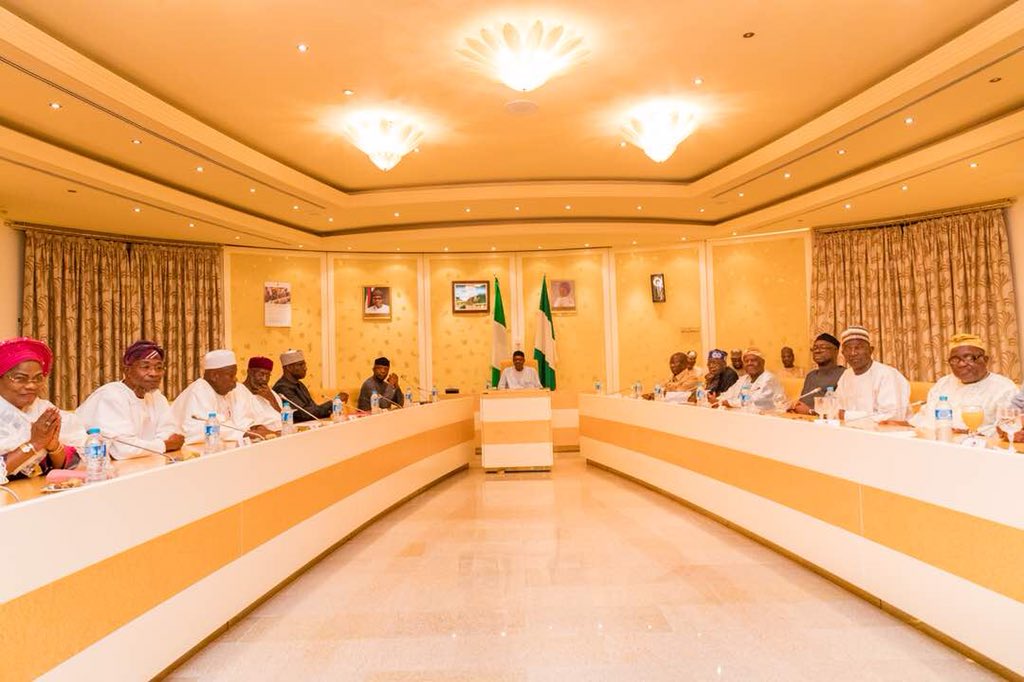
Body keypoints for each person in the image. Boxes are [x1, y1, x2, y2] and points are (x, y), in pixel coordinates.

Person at [76, 340, 185, 459]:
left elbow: (170, 434)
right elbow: (122, 450)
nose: (154, 373)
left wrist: (157, 445)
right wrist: (164, 445)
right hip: (88, 465)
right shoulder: (111, 395)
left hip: (141, 462)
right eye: (145, 367)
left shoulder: (157, 397)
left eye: (159, 367)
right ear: (127, 370)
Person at [0, 337, 84, 478]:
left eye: (38, 378)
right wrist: (34, 444)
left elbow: (63, 467)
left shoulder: (43, 409)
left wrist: (53, 446)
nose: (31, 385)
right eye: (20, 378)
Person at [908, 333, 1016, 435]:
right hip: (935, 441)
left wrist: (970, 433)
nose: (961, 364)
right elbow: (922, 420)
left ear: (985, 360)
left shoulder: (1004, 388)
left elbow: (1008, 430)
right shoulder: (943, 384)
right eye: (955, 360)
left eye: (969, 358)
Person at [170, 349, 271, 442]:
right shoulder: (199, 391)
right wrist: (245, 434)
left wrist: (256, 427)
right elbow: (200, 430)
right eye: (231, 375)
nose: (235, 380)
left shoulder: (226, 392)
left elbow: (240, 420)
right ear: (214, 376)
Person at [833, 326, 910, 422]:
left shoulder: (886, 374)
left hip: (888, 430)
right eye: (848, 349)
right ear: (843, 353)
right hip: (851, 429)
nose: (853, 353)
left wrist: (846, 415)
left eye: (858, 347)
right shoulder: (846, 375)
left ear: (870, 350)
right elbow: (835, 408)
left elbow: (892, 416)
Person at [273, 349, 345, 422]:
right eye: (301, 365)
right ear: (289, 368)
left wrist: (335, 404)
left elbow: (314, 410)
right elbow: (305, 414)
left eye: (304, 364)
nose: (305, 368)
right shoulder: (282, 388)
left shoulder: (300, 384)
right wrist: (334, 402)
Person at [789, 333, 846, 413]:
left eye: (823, 347)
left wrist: (810, 411)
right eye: (815, 348)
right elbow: (803, 403)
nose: (817, 351)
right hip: (801, 419)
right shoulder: (811, 376)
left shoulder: (844, 374)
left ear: (836, 351)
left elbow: (839, 411)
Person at [716, 348, 784, 409]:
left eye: (753, 360)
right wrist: (718, 399)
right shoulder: (743, 379)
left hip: (770, 415)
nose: (749, 363)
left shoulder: (769, 379)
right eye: (746, 361)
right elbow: (728, 394)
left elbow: (757, 401)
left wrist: (729, 403)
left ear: (763, 362)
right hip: (746, 414)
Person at [236, 356, 283, 432]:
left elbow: (284, 418)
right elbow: (241, 423)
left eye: (268, 375)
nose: (264, 379)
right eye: (261, 374)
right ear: (250, 372)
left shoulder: (271, 393)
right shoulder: (238, 391)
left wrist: (272, 400)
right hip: (260, 436)